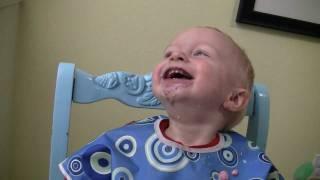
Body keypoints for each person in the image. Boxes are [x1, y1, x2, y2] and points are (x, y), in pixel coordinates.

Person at [59, 26, 283, 180]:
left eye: (200, 53)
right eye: (169, 54)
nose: (175, 56)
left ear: (234, 98)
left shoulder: (248, 159)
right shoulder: (123, 143)